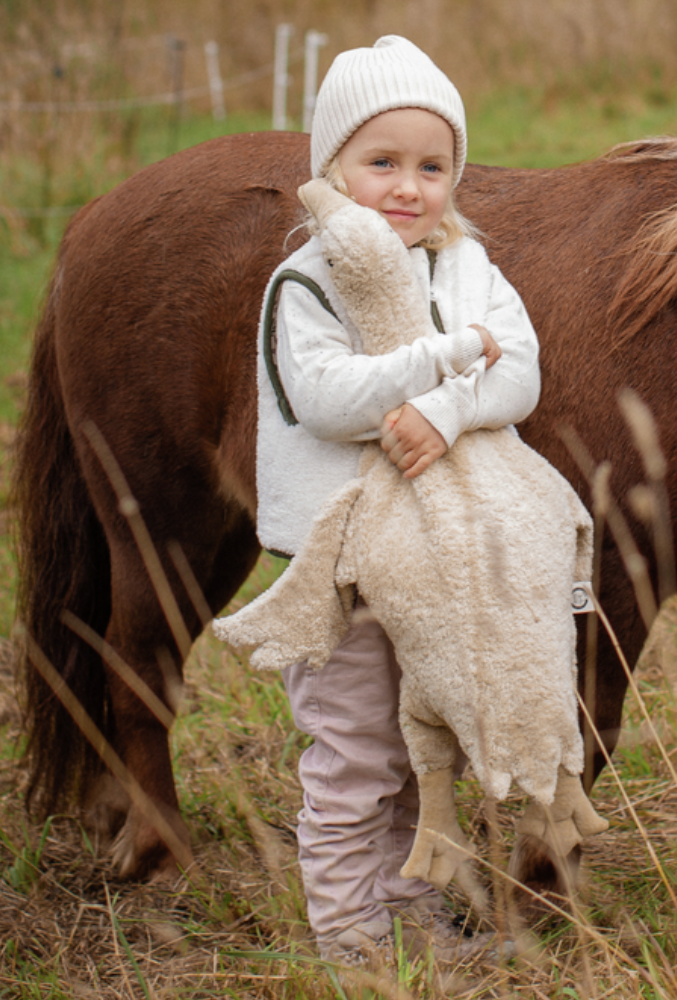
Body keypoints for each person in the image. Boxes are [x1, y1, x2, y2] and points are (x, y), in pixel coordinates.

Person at [254, 34, 540, 968]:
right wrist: (446, 360)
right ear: (332, 167)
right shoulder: (309, 280)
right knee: (354, 754)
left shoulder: (468, 267)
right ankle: (351, 941)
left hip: (433, 556)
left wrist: (446, 410)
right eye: (382, 163)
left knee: (425, 743)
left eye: (432, 166)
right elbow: (328, 399)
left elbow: (520, 373)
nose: (408, 188)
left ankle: (412, 917)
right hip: (341, 563)